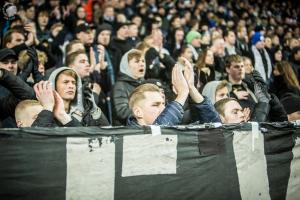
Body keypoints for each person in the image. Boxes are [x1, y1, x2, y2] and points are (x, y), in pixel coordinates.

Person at [127, 58, 220, 126]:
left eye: (163, 104)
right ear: (138, 112)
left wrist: (191, 88)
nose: (163, 108)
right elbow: (158, 133)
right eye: (155, 105)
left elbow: (215, 125)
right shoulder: (129, 137)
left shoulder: (174, 122)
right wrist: (182, 93)